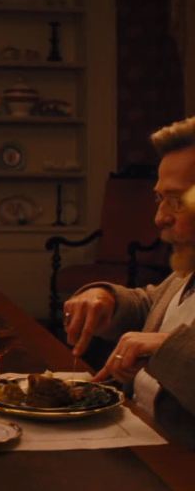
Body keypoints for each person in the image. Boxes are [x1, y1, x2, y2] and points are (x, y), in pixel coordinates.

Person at [64, 116, 195, 447]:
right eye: (160, 199)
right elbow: (152, 305)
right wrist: (106, 299)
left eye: (176, 201)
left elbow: (167, 341)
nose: (159, 218)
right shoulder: (188, 270)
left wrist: (165, 348)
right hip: (135, 433)